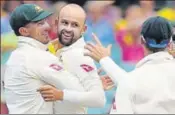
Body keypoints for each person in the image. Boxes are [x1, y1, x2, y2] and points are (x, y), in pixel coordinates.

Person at [3, 4, 106, 114]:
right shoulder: (39, 57)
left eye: (45, 21)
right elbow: (88, 94)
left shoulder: (16, 56)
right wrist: (96, 84)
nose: (47, 26)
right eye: (40, 24)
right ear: (24, 31)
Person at [84, 16, 175, 114]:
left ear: (142, 40)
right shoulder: (131, 80)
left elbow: (128, 83)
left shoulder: (132, 79)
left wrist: (104, 60)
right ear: (170, 43)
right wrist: (105, 60)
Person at [37, 4, 114, 114]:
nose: (68, 29)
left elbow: (98, 99)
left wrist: (61, 95)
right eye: (64, 23)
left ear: (84, 29)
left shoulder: (80, 55)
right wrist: (84, 88)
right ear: (56, 23)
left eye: (75, 25)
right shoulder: (55, 48)